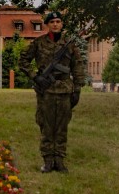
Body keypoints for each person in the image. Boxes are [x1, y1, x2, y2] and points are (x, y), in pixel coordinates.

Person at [20, 11, 86, 173]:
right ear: (47, 25)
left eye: (58, 21)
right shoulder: (39, 43)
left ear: (62, 24)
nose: (55, 24)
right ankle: (48, 160)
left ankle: (59, 160)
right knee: (46, 126)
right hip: (46, 91)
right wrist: (36, 77)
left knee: (62, 127)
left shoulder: (69, 46)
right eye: (52, 22)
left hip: (64, 90)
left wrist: (77, 89)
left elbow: (77, 67)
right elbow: (23, 60)